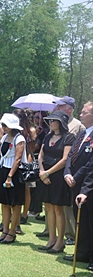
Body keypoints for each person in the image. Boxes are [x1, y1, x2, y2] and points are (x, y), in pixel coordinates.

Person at [36, 111, 74, 253]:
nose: (51, 123)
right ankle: (51, 239)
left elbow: (65, 160)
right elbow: (40, 155)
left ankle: (60, 241)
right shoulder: (48, 136)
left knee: (58, 208)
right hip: (44, 175)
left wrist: (47, 172)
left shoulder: (68, 138)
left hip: (58, 176)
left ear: (61, 123)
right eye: (50, 120)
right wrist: (42, 172)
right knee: (48, 207)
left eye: (54, 120)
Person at [64, 101, 93, 268]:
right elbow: (70, 156)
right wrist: (67, 173)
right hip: (75, 183)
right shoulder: (82, 134)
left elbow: (90, 163)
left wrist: (76, 176)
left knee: (90, 223)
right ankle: (81, 252)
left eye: (84, 112)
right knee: (79, 220)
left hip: (88, 184)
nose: (80, 114)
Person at [53, 96, 85, 245]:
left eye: (61, 106)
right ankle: (52, 231)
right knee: (54, 205)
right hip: (56, 169)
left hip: (69, 170)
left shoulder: (78, 125)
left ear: (70, 109)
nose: (58, 108)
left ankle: (70, 234)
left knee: (67, 206)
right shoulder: (57, 121)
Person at [0, 113, 26, 244]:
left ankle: (12, 232)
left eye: (5, 125)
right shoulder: (5, 137)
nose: (3, 127)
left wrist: (10, 176)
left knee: (15, 204)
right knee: (5, 203)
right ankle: (5, 230)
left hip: (15, 173)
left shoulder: (19, 138)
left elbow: (17, 158)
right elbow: (2, 154)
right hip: (4, 170)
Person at [13, 108, 37, 230]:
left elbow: (31, 149)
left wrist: (27, 164)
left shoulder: (30, 130)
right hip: (15, 159)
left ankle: (24, 214)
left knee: (26, 189)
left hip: (27, 160)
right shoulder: (14, 130)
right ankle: (14, 217)